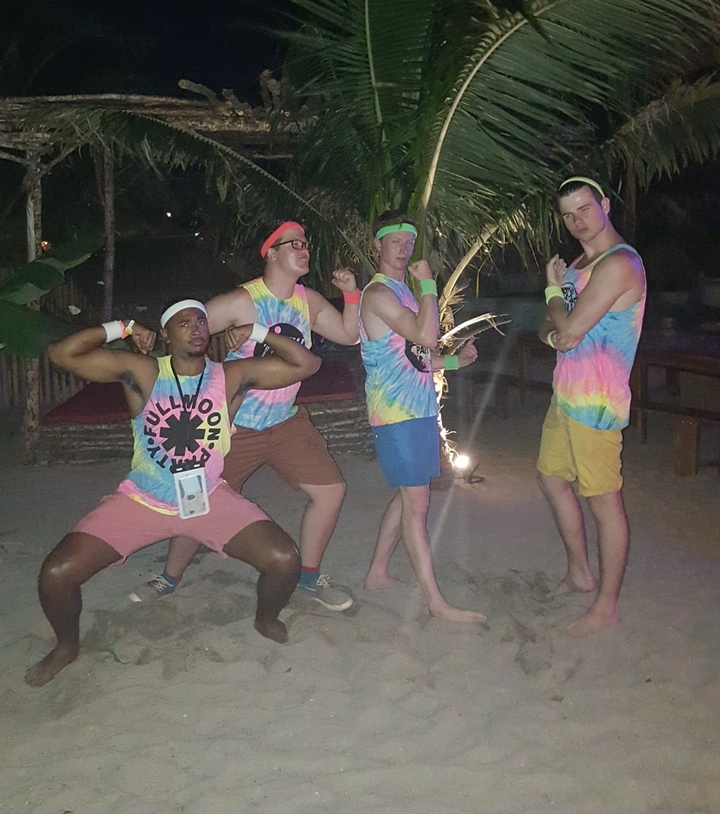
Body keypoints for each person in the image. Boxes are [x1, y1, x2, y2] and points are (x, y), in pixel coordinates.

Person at [25, 300, 321, 688]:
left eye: (201, 320)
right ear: (165, 334)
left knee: (284, 560)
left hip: (208, 498)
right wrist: (125, 326)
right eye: (184, 323)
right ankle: (66, 646)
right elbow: (61, 354)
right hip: (142, 500)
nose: (197, 327)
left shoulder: (229, 375)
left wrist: (259, 333)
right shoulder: (144, 371)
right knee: (57, 574)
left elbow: (307, 366)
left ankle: (265, 619)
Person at [140, 220, 359, 611]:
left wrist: (351, 294)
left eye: (306, 243)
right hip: (235, 427)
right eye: (293, 243)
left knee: (331, 491)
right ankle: (168, 577)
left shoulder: (307, 301)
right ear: (271, 253)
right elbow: (185, 329)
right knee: (199, 501)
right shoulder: (243, 301)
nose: (304, 248)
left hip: (286, 421)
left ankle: (309, 576)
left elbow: (349, 334)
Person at [359, 211, 485, 622]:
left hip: (416, 410)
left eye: (409, 241)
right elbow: (426, 335)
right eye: (394, 241)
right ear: (377, 245)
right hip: (396, 415)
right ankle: (435, 602)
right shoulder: (379, 294)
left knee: (409, 497)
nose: (403, 248)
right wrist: (429, 282)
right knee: (417, 505)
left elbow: (417, 357)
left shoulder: (401, 293)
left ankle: (377, 573)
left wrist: (456, 361)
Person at [537, 177, 646, 636]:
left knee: (603, 502)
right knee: (550, 477)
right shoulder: (582, 263)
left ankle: (607, 606)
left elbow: (567, 329)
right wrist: (556, 329)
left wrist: (550, 294)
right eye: (568, 214)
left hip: (597, 404)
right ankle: (580, 571)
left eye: (584, 208)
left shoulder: (620, 264)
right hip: (566, 394)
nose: (577, 221)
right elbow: (552, 331)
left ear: (603, 204)